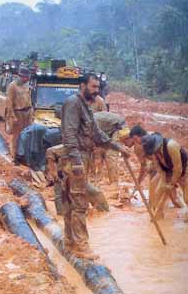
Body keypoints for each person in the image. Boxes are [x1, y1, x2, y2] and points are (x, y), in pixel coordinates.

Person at [61, 73, 130, 260]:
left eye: (98, 87)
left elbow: (98, 135)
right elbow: (69, 134)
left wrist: (118, 147)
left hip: (81, 158)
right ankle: (81, 246)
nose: (96, 91)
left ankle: (69, 241)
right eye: (93, 87)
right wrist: (76, 162)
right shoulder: (73, 104)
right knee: (79, 203)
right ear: (82, 85)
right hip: (75, 159)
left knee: (72, 202)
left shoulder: (87, 108)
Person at [141, 133, 188, 220]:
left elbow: (178, 168)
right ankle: (159, 213)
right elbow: (160, 169)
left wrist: (171, 184)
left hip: (184, 169)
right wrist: (165, 182)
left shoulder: (171, 146)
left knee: (187, 197)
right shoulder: (154, 153)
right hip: (168, 171)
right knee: (158, 191)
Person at [5, 67, 34, 160]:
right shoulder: (12, 86)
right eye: (25, 77)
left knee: (28, 134)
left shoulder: (27, 85)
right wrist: (12, 116)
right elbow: (9, 102)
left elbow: (29, 99)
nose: (27, 79)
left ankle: (24, 154)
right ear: (20, 76)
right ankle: (15, 155)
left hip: (28, 112)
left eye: (28, 77)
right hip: (18, 113)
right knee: (17, 135)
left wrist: (31, 113)